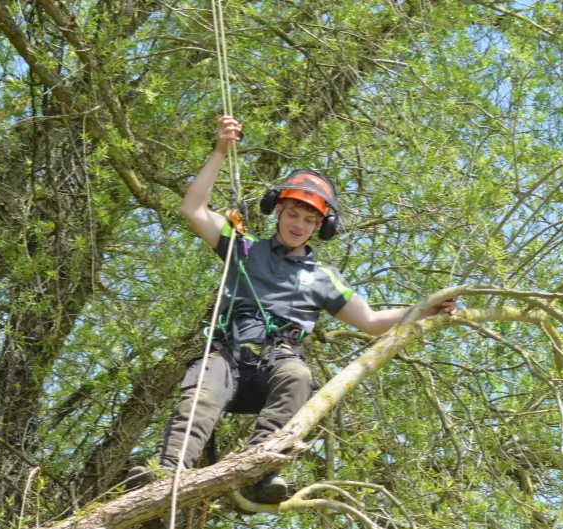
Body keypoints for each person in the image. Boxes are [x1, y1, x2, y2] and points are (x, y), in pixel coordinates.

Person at [126, 116, 457, 503]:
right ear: (277, 212)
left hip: (278, 362)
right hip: (228, 358)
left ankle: (260, 469)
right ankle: (167, 471)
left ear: (321, 226)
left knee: (298, 375)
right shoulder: (244, 247)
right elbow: (193, 209)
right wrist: (219, 152)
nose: (299, 224)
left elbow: (369, 321)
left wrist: (424, 309)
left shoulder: (322, 277)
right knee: (200, 391)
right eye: (293, 214)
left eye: (310, 219)